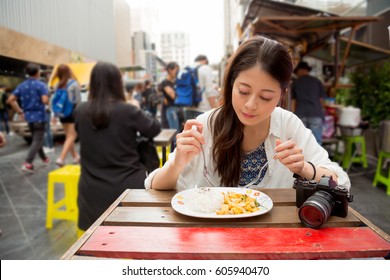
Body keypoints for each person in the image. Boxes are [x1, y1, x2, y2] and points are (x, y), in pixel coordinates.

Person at [145, 36, 350, 191]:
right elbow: (153, 185)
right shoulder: (206, 124)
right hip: (211, 240)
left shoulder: (288, 125)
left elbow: (341, 182)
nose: (251, 105)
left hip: (272, 240)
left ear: (282, 94)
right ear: (231, 84)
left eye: (266, 97)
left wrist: (305, 168)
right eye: (243, 91)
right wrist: (178, 161)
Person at [74, 61, 161, 232]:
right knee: (130, 240)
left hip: (90, 192)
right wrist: (137, 108)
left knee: (93, 244)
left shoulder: (80, 110)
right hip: (127, 188)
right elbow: (154, 129)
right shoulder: (128, 110)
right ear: (117, 83)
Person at [7, 63, 50, 173]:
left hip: (29, 117)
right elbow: (45, 101)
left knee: (36, 139)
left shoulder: (21, 85)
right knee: (37, 140)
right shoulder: (41, 85)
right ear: (37, 72)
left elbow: (10, 100)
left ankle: (44, 158)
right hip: (40, 116)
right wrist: (48, 100)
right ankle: (28, 163)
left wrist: (19, 111)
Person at [52, 64, 81, 167]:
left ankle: (75, 157)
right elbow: (78, 101)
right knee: (72, 136)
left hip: (61, 114)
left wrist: (55, 115)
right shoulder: (74, 84)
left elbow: (55, 101)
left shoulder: (57, 85)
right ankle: (61, 158)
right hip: (72, 112)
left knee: (69, 136)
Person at [291, 61, 327, 145]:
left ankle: (304, 158)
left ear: (299, 70)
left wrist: (293, 115)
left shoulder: (296, 82)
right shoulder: (317, 81)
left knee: (301, 142)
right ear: (307, 70)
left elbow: (293, 102)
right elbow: (321, 100)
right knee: (316, 142)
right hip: (315, 113)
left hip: (301, 113)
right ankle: (317, 158)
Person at [160, 62, 180, 130]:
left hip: (177, 109)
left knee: (178, 132)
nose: (177, 72)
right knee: (174, 133)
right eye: (176, 70)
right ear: (170, 70)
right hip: (170, 109)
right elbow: (173, 96)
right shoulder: (165, 82)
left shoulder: (176, 82)